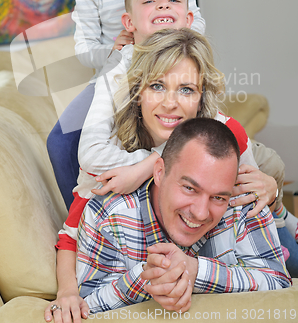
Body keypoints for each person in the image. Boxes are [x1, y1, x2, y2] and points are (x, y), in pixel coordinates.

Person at [46, 0, 205, 209]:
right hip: (117, 75)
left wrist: (173, 41)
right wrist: (112, 48)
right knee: (59, 141)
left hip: (170, 67)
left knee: (203, 125)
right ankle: (83, 211)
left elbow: (198, 22)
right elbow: (84, 52)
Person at [76, 118, 291, 313]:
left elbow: (278, 280)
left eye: (218, 198)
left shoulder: (244, 201)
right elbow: (86, 304)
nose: (200, 213)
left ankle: (284, 214)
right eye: (190, 188)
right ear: (159, 172)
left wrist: (196, 271)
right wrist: (151, 276)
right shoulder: (107, 215)